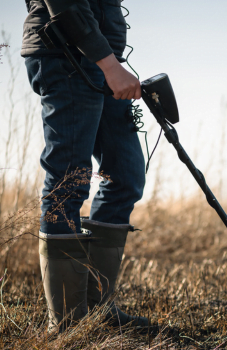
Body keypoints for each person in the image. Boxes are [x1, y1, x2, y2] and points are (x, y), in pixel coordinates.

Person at [21, 0, 148, 332]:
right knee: (69, 181)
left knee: (125, 176)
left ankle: (98, 310)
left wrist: (109, 62)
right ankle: (66, 325)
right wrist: (108, 64)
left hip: (102, 60)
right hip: (64, 55)